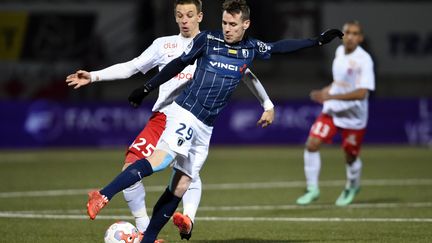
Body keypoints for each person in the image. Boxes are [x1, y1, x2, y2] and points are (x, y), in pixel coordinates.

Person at [86, 0, 343, 242]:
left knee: (182, 184)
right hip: (186, 112)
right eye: (224, 23)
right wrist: (146, 88)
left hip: (205, 126)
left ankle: (149, 239)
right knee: (161, 160)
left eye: (233, 24)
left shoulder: (249, 49)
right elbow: (179, 63)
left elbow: (280, 47)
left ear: (246, 25)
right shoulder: (208, 40)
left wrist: (317, 41)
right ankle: (104, 194)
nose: (227, 29)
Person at [66, 0, 275, 241]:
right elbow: (132, 67)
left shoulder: (213, 43)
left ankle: (181, 220)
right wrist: (93, 76)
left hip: (192, 116)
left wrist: (268, 104)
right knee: (141, 167)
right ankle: (148, 227)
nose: (184, 20)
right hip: (164, 116)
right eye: (179, 15)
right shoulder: (164, 45)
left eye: (189, 14)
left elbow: (246, 73)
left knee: (185, 175)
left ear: (200, 16)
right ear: (174, 18)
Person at [296, 20, 375, 206]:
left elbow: (363, 93)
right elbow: (339, 82)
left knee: (350, 156)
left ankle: (352, 186)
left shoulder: (364, 60)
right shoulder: (339, 52)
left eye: (355, 33)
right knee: (312, 144)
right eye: (347, 32)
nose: (350, 36)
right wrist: (325, 91)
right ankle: (312, 188)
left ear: (360, 38)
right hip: (333, 111)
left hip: (354, 117)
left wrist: (331, 97)